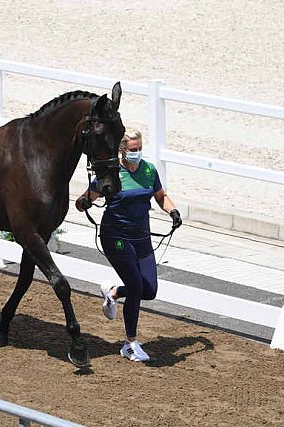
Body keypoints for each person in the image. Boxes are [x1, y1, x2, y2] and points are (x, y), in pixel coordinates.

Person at [75, 129, 182, 362]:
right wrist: (84, 203)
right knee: (135, 287)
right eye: (133, 150)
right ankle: (130, 344)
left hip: (141, 236)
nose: (138, 153)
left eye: (140, 148)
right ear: (122, 151)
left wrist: (172, 211)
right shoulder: (111, 174)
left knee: (149, 291)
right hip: (116, 236)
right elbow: (84, 200)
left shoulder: (148, 170)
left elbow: (161, 196)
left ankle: (113, 293)